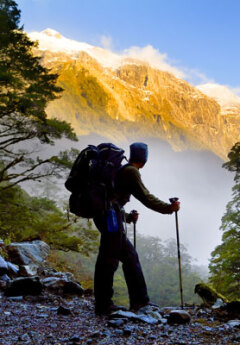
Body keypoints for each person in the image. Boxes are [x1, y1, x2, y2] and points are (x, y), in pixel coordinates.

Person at [93, 142, 180, 315]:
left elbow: (112, 198)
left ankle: (139, 301)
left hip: (108, 215)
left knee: (128, 256)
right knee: (108, 259)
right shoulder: (131, 171)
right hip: (110, 217)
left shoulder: (123, 169)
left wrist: (127, 217)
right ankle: (104, 305)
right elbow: (145, 197)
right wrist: (168, 208)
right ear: (144, 159)